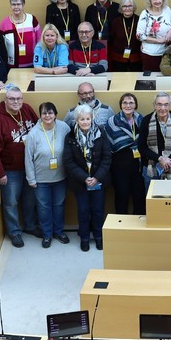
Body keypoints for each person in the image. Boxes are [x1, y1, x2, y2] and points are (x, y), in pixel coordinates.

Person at [0, 86, 39, 248]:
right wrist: (0, 173)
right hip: (10, 169)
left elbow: (39, 130)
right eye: (12, 99)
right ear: (5, 100)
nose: (16, 102)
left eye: (19, 98)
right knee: (11, 202)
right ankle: (15, 232)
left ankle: (30, 226)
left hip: (30, 166)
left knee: (30, 199)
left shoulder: (28, 109)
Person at [64, 104, 112, 252]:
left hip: (99, 181)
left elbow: (107, 158)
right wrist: (85, 178)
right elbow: (69, 162)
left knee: (98, 211)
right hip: (80, 182)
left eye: (87, 119)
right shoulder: (70, 136)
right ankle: (84, 238)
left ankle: (98, 237)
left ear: (92, 119)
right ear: (77, 120)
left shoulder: (101, 133)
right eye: (82, 119)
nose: (85, 122)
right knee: (83, 211)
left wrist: (96, 178)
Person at [25, 102, 72, 248]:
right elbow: (28, 158)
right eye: (44, 113)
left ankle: (58, 232)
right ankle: (47, 235)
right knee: (44, 208)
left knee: (59, 206)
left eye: (50, 113)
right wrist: (31, 178)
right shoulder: (33, 133)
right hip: (41, 180)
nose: (47, 116)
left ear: (55, 114)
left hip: (60, 177)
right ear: (40, 115)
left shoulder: (63, 127)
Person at [105, 93, 146, 214]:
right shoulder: (112, 122)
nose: (128, 105)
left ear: (135, 105)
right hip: (119, 165)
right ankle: (121, 225)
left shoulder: (142, 120)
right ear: (121, 105)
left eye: (131, 102)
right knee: (121, 195)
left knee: (139, 196)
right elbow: (109, 145)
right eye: (125, 103)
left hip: (138, 165)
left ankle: (138, 226)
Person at [139, 92, 171, 189]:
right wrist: (160, 159)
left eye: (166, 104)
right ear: (154, 105)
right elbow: (142, 147)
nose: (163, 108)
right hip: (151, 167)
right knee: (153, 200)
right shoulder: (146, 120)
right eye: (159, 104)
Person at [137, 0, 171, 72]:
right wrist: (159, 41)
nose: (157, 1)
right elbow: (139, 35)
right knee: (150, 80)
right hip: (149, 53)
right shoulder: (145, 13)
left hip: (166, 53)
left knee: (164, 78)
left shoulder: (167, 10)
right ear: (150, 1)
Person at [0, 0, 41, 68]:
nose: (16, 7)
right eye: (13, 4)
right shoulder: (4, 23)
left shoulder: (32, 19)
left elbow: (40, 40)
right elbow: (0, 46)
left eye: (18, 4)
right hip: (12, 66)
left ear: (23, 5)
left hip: (33, 64)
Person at [108, 0, 143, 72]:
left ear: (134, 7)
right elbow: (111, 38)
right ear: (121, 8)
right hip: (118, 58)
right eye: (124, 6)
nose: (127, 8)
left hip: (136, 58)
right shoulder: (115, 22)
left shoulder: (140, 20)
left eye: (130, 6)